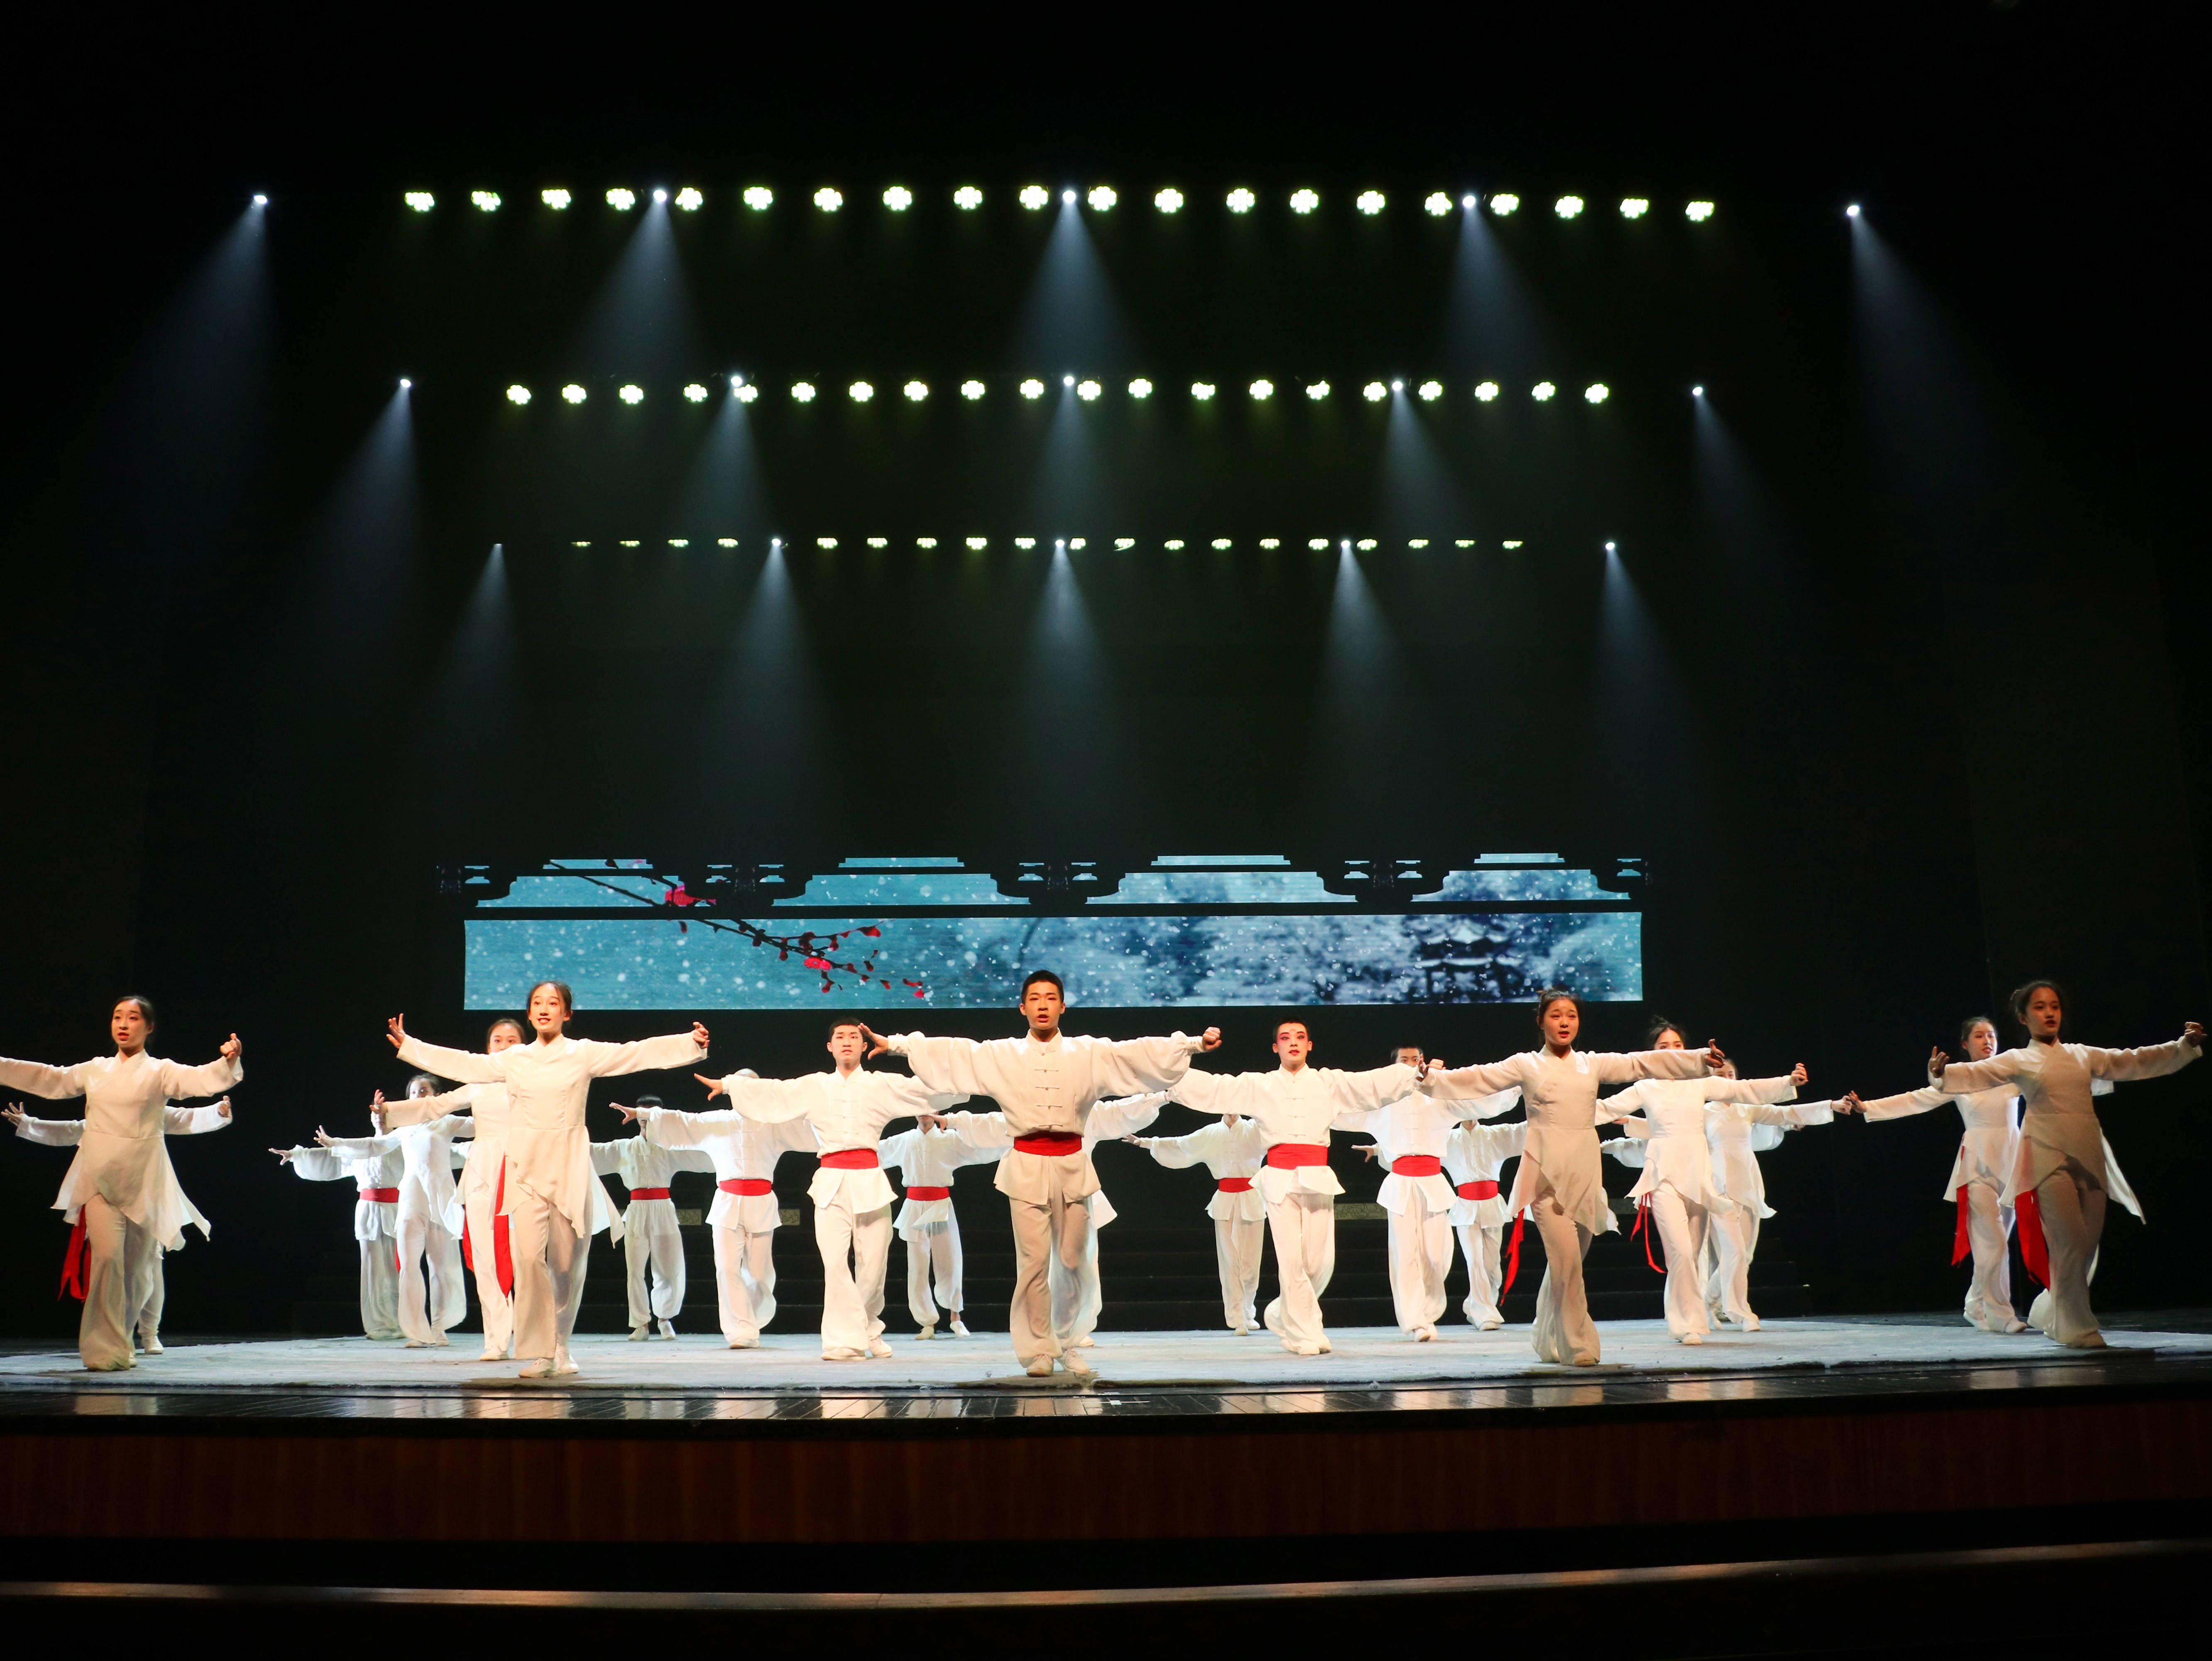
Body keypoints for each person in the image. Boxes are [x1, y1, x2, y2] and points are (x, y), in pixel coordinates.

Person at [861, 972, 1217, 1377]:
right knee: (1032, 1264)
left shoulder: (1088, 1053)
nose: (1043, 1004)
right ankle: (1039, 1350)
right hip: (1026, 1166)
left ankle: (1068, 1341)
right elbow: (958, 1053)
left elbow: (1134, 1054)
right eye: (1035, 998)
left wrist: (1193, 1044)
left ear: (1063, 1006)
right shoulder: (1004, 1055)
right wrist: (898, 1045)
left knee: (1073, 1260)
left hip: (1073, 1165)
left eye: (1050, 997)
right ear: (1023, 1007)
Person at [387, 982, 708, 1379]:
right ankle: (541, 1351)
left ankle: (562, 1348)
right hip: (525, 1167)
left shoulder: (582, 1053)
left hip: (568, 1162)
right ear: (530, 1013)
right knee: (527, 1259)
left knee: (565, 1264)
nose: (544, 1009)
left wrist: (689, 1043)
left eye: (553, 1003)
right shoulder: (515, 1060)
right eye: (537, 1003)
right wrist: (411, 1046)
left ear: (566, 1014)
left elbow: (635, 1052)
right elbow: (465, 1064)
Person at [1417, 990, 1723, 1366]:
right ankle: (1578, 1345)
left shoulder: (1591, 1065)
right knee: (1566, 1264)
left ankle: (1544, 1334)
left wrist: (1699, 1059)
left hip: (1585, 1175)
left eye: (1572, 1016)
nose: (1564, 1022)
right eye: (1556, 1015)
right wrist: (1431, 1079)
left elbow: (1640, 1063)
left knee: (1567, 1266)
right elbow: (1479, 1077)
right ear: (1541, 1021)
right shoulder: (1526, 1064)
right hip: (1546, 1176)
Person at [1924, 980, 2201, 1350]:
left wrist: (2183, 1047)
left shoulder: (2083, 1055)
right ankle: (2077, 1328)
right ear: (2024, 1018)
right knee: (2068, 1242)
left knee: (2086, 1245)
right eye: (2039, 1007)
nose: (2050, 1013)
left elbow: (2133, 1060)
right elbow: (1975, 1074)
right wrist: (1941, 1074)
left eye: (2054, 1006)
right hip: (2046, 1157)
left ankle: (2049, 1310)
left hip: (2088, 1151)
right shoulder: (2018, 1059)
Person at [697, 1023, 965, 1361]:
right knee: (836, 1264)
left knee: (873, 1267)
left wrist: (960, 1074)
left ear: (864, 1045)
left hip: (870, 1181)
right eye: (840, 1037)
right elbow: (777, 1092)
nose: (847, 1042)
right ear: (830, 1047)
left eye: (854, 1037)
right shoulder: (816, 1086)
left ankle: (869, 1329)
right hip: (831, 1183)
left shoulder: (880, 1084)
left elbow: (926, 1091)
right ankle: (843, 1342)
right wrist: (729, 1085)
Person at [2, 998, 242, 1371]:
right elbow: (52, 1079)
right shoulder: (95, 1069)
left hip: (144, 1179)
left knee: (140, 1271)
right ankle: (103, 1350)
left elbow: (196, 1080)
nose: (123, 1024)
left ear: (149, 1027)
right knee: (107, 1260)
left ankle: (125, 1337)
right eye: (118, 1017)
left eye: (133, 1018)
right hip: (99, 1177)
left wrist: (227, 1063)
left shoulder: (160, 1071)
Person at [1168, 1021, 1419, 1357]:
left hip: (1317, 1176)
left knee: (1318, 1262)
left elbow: (1371, 1083)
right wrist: (1165, 1072)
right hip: (1279, 1179)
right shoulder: (1260, 1085)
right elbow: (1215, 1088)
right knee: (1290, 1260)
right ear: (1276, 1048)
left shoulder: (1329, 1082)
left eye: (1300, 1037)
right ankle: (1304, 1334)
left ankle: (1281, 1313)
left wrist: (1414, 1074)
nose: (1293, 1043)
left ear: (1310, 1045)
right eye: (1285, 1039)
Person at [1597, 1020, 1808, 1344]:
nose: (1672, 1052)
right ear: (1652, 1053)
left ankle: (1689, 1320)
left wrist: (1787, 1082)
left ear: (1688, 1050)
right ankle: (1686, 1324)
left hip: (1698, 1176)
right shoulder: (1645, 1088)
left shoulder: (1700, 1084)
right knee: (1680, 1252)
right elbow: (1603, 1108)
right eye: (1663, 1047)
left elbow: (1744, 1090)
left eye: (1678, 1046)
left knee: (1693, 1254)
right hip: (1662, 1174)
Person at [1844, 1014, 2033, 1334]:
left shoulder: (2011, 1075)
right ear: (1965, 1044)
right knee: (1994, 1243)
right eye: (1979, 1036)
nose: (1987, 1041)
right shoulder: (1957, 1079)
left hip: (2013, 1163)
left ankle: (1975, 1304)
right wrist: (1870, 1108)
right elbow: (1917, 1099)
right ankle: (2001, 1315)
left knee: (1998, 1244)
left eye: (1991, 1035)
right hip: (1977, 1165)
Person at [615, 1074, 813, 1348]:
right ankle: (740, 1330)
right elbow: (684, 1122)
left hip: (761, 1202)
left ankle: (752, 1319)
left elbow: (811, 1130)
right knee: (727, 1269)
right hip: (727, 1203)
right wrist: (644, 1115)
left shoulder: (774, 1123)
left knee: (759, 1274)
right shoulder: (719, 1121)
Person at [1343, 1046, 1521, 1342]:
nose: (1411, 1065)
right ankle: (1416, 1321)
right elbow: (1343, 1113)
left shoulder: (1440, 1099)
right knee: (1405, 1255)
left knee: (1437, 1256)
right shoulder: (1381, 1104)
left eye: (1416, 1060)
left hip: (1433, 1183)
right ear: (1393, 1067)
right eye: (1404, 1061)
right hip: (1401, 1185)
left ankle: (1428, 1312)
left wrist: (1516, 1087)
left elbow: (1481, 1104)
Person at [380, 1017, 526, 1360]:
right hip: (483, 1171)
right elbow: (436, 1103)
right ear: (488, 1048)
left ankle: (530, 1335)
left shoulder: (537, 1079)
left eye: (512, 1041)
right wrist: (388, 1111)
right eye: (498, 1041)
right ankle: (496, 1339)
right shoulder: (477, 1083)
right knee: (485, 1257)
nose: (504, 1046)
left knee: (526, 1259)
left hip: (523, 1168)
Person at [316, 1077, 475, 1347]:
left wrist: (492, 1104)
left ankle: (439, 1328)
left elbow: (478, 1125)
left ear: (435, 1096)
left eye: (423, 1091)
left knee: (442, 1266)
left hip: (440, 1199)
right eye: (413, 1092)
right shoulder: (404, 1130)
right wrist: (336, 1143)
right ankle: (417, 1331)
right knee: (409, 1266)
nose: (417, 1095)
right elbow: (374, 1145)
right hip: (411, 1199)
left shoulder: (446, 1122)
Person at [1698, 1060, 1836, 1331]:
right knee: (1735, 1252)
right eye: (1721, 1075)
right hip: (1717, 1186)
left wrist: (1830, 1106)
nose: (1728, 1079)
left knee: (1745, 1255)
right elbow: (1669, 1132)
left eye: (1732, 1074)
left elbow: (1784, 1114)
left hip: (1747, 1184)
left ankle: (1707, 1301)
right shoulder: (1702, 1112)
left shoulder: (1747, 1108)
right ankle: (1741, 1312)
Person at [1125, 1111, 1268, 1335]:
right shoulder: (1211, 1133)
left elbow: (1279, 1133)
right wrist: (1146, 1143)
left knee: (1250, 1265)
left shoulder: (1255, 1129)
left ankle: (1248, 1311)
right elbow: (1183, 1144)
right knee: (1230, 1262)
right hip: (1225, 1201)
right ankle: (1236, 1317)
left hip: (1251, 1199)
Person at [273, 1101, 406, 1341]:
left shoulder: (403, 1145)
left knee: (396, 1269)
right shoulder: (360, 1147)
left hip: (395, 1210)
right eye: (376, 1115)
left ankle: (403, 1322)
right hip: (368, 1210)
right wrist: (297, 1156)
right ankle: (379, 1325)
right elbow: (332, 1156)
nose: (379, 1118)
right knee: (372, 1270)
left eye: (385, 1114)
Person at [590, 1095, 716, 1340]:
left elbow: (704, 1157)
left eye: (651, 1114)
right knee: (635, 1270)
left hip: (663, 1209)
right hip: (637, 1210)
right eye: (643, 1114)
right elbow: (593, 1153)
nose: (646, 1119)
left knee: (669, 1267)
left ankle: (665, 1319)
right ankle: (640, 1323)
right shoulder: (624, 1148)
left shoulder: (670, 1147)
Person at [875, 1119, 1006, 1338]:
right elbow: (878, 1153)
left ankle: (956, 1317)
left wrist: (1006, 1143)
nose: (924, 1115)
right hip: (915, 1205)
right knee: (917, 1266)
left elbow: (978, 1150)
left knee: (950, 1261)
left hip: (941, 1203)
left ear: (937, 1112)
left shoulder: (950, 1140)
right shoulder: (906, 1140)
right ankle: (927, 1322)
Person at [1442, 1115, 1528, 1330]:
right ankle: (1484, 1313)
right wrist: (1379, 1150)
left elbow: (1524, 1130)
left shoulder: (1495, 1134)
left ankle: (1476, 1305)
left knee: (1492, 1267)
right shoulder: (1447, 1138)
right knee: (1475, 1262)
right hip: (1466, 1207)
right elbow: (1416, 1144)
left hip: (1491, 1205)